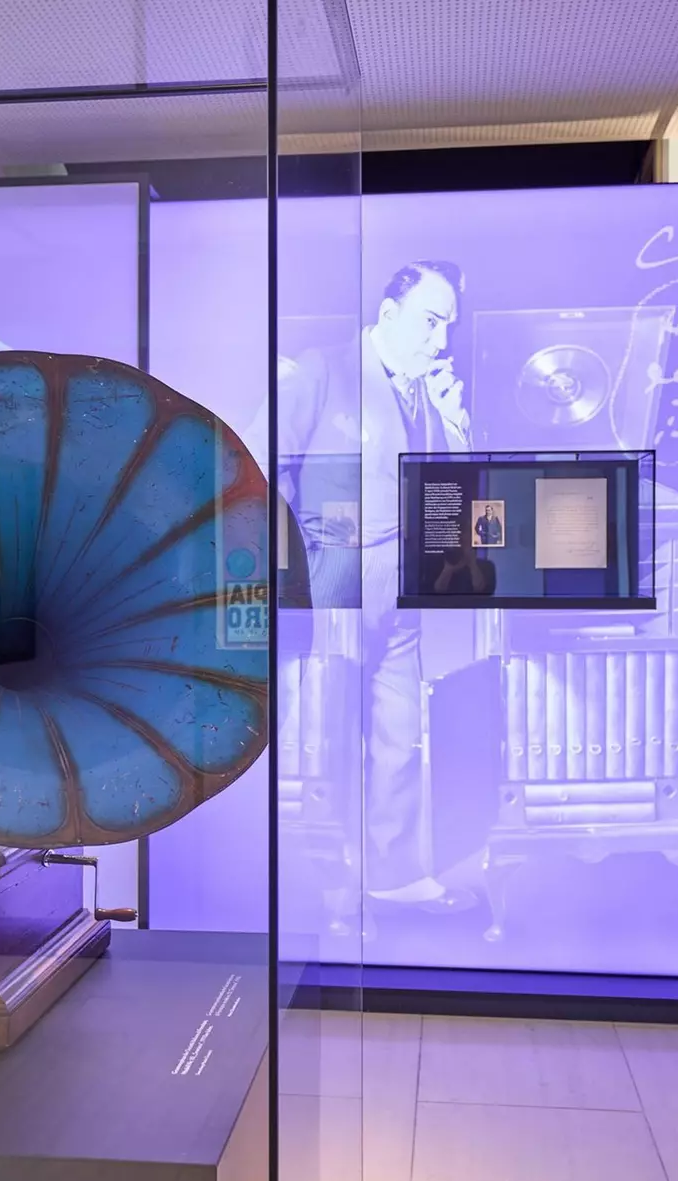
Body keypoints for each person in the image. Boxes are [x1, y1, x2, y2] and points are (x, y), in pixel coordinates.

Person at [273, 260, 477, 911]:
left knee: (399, 730)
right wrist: (292, 573)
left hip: (403, 584)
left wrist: (454, 426)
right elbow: (261, 470)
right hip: (332, 581)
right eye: (430, 322)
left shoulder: (428, 393)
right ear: (389, 315)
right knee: (328, 731)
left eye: (448, 327)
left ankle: (392, 872)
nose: (441, 341)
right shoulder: (322, 370)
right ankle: (324, 882)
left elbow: (454, 497)